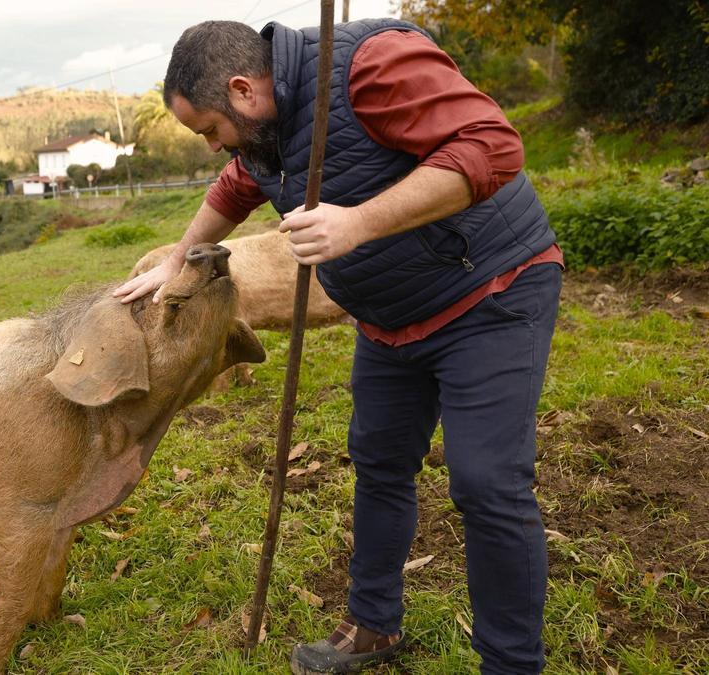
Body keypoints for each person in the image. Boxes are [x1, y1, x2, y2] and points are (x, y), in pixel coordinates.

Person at [113, 18, 563, 675]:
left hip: (489, 291)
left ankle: (512, 663)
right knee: (378, 461)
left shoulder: (371, 65)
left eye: (209, 129)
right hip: (389, 318)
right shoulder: (265, 129)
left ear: (244, 89)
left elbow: (492, 148)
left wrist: (360, 222)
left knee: (486, 482)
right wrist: (178, 258)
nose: (213, 146)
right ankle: (374, 624)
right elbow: (240, 182)